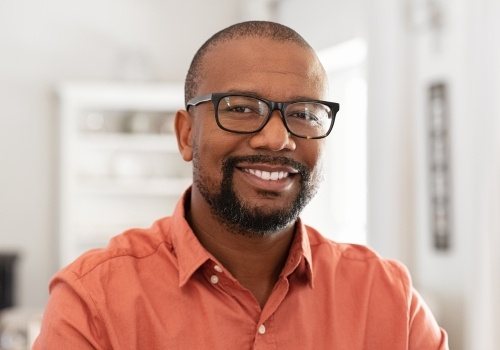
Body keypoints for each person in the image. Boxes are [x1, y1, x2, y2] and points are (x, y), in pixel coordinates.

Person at [34, 21, 448, 349]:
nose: (276, 138)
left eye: (303, 113)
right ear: (185, 135)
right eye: (242, 108)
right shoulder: (95, 300)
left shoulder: (389, 300)